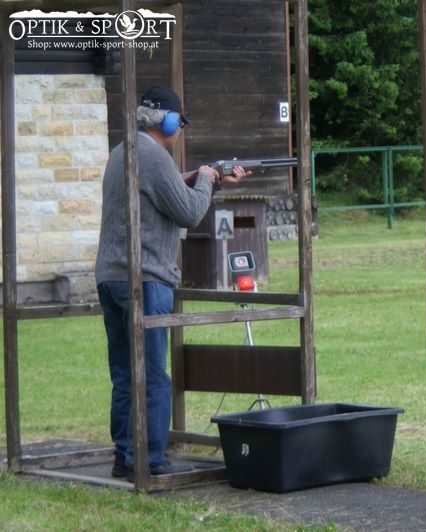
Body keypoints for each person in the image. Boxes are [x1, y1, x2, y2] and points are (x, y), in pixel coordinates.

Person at [95, 87, 249, 479]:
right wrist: (208, 181)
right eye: (179, 122)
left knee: (127, 373)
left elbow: (157, 192)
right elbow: (189, 213)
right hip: (145, 278)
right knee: (154, 376)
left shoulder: (123, 151)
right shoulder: (155, 156)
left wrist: (199, 175)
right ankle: (150, 461)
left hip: (111, 277)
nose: (179, 129)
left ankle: (126, 456)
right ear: (165, 120)